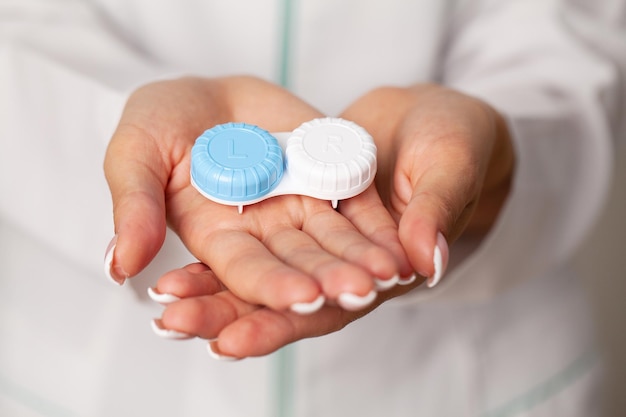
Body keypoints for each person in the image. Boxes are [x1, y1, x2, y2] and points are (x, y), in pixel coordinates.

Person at [1, 1, 624, 416]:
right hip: (92, 379)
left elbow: (571, 32)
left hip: (471, 380)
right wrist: (115, 121)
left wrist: (496, 148)